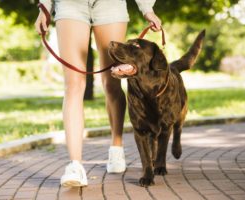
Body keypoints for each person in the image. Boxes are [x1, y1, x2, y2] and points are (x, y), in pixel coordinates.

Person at [35, 0, 161, 187]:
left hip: (110, 5)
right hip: (70, 6)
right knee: (74, 85)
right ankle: (75, 165)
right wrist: (45, 7)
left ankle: (116, 148)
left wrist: (147, 8)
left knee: (111, 83)